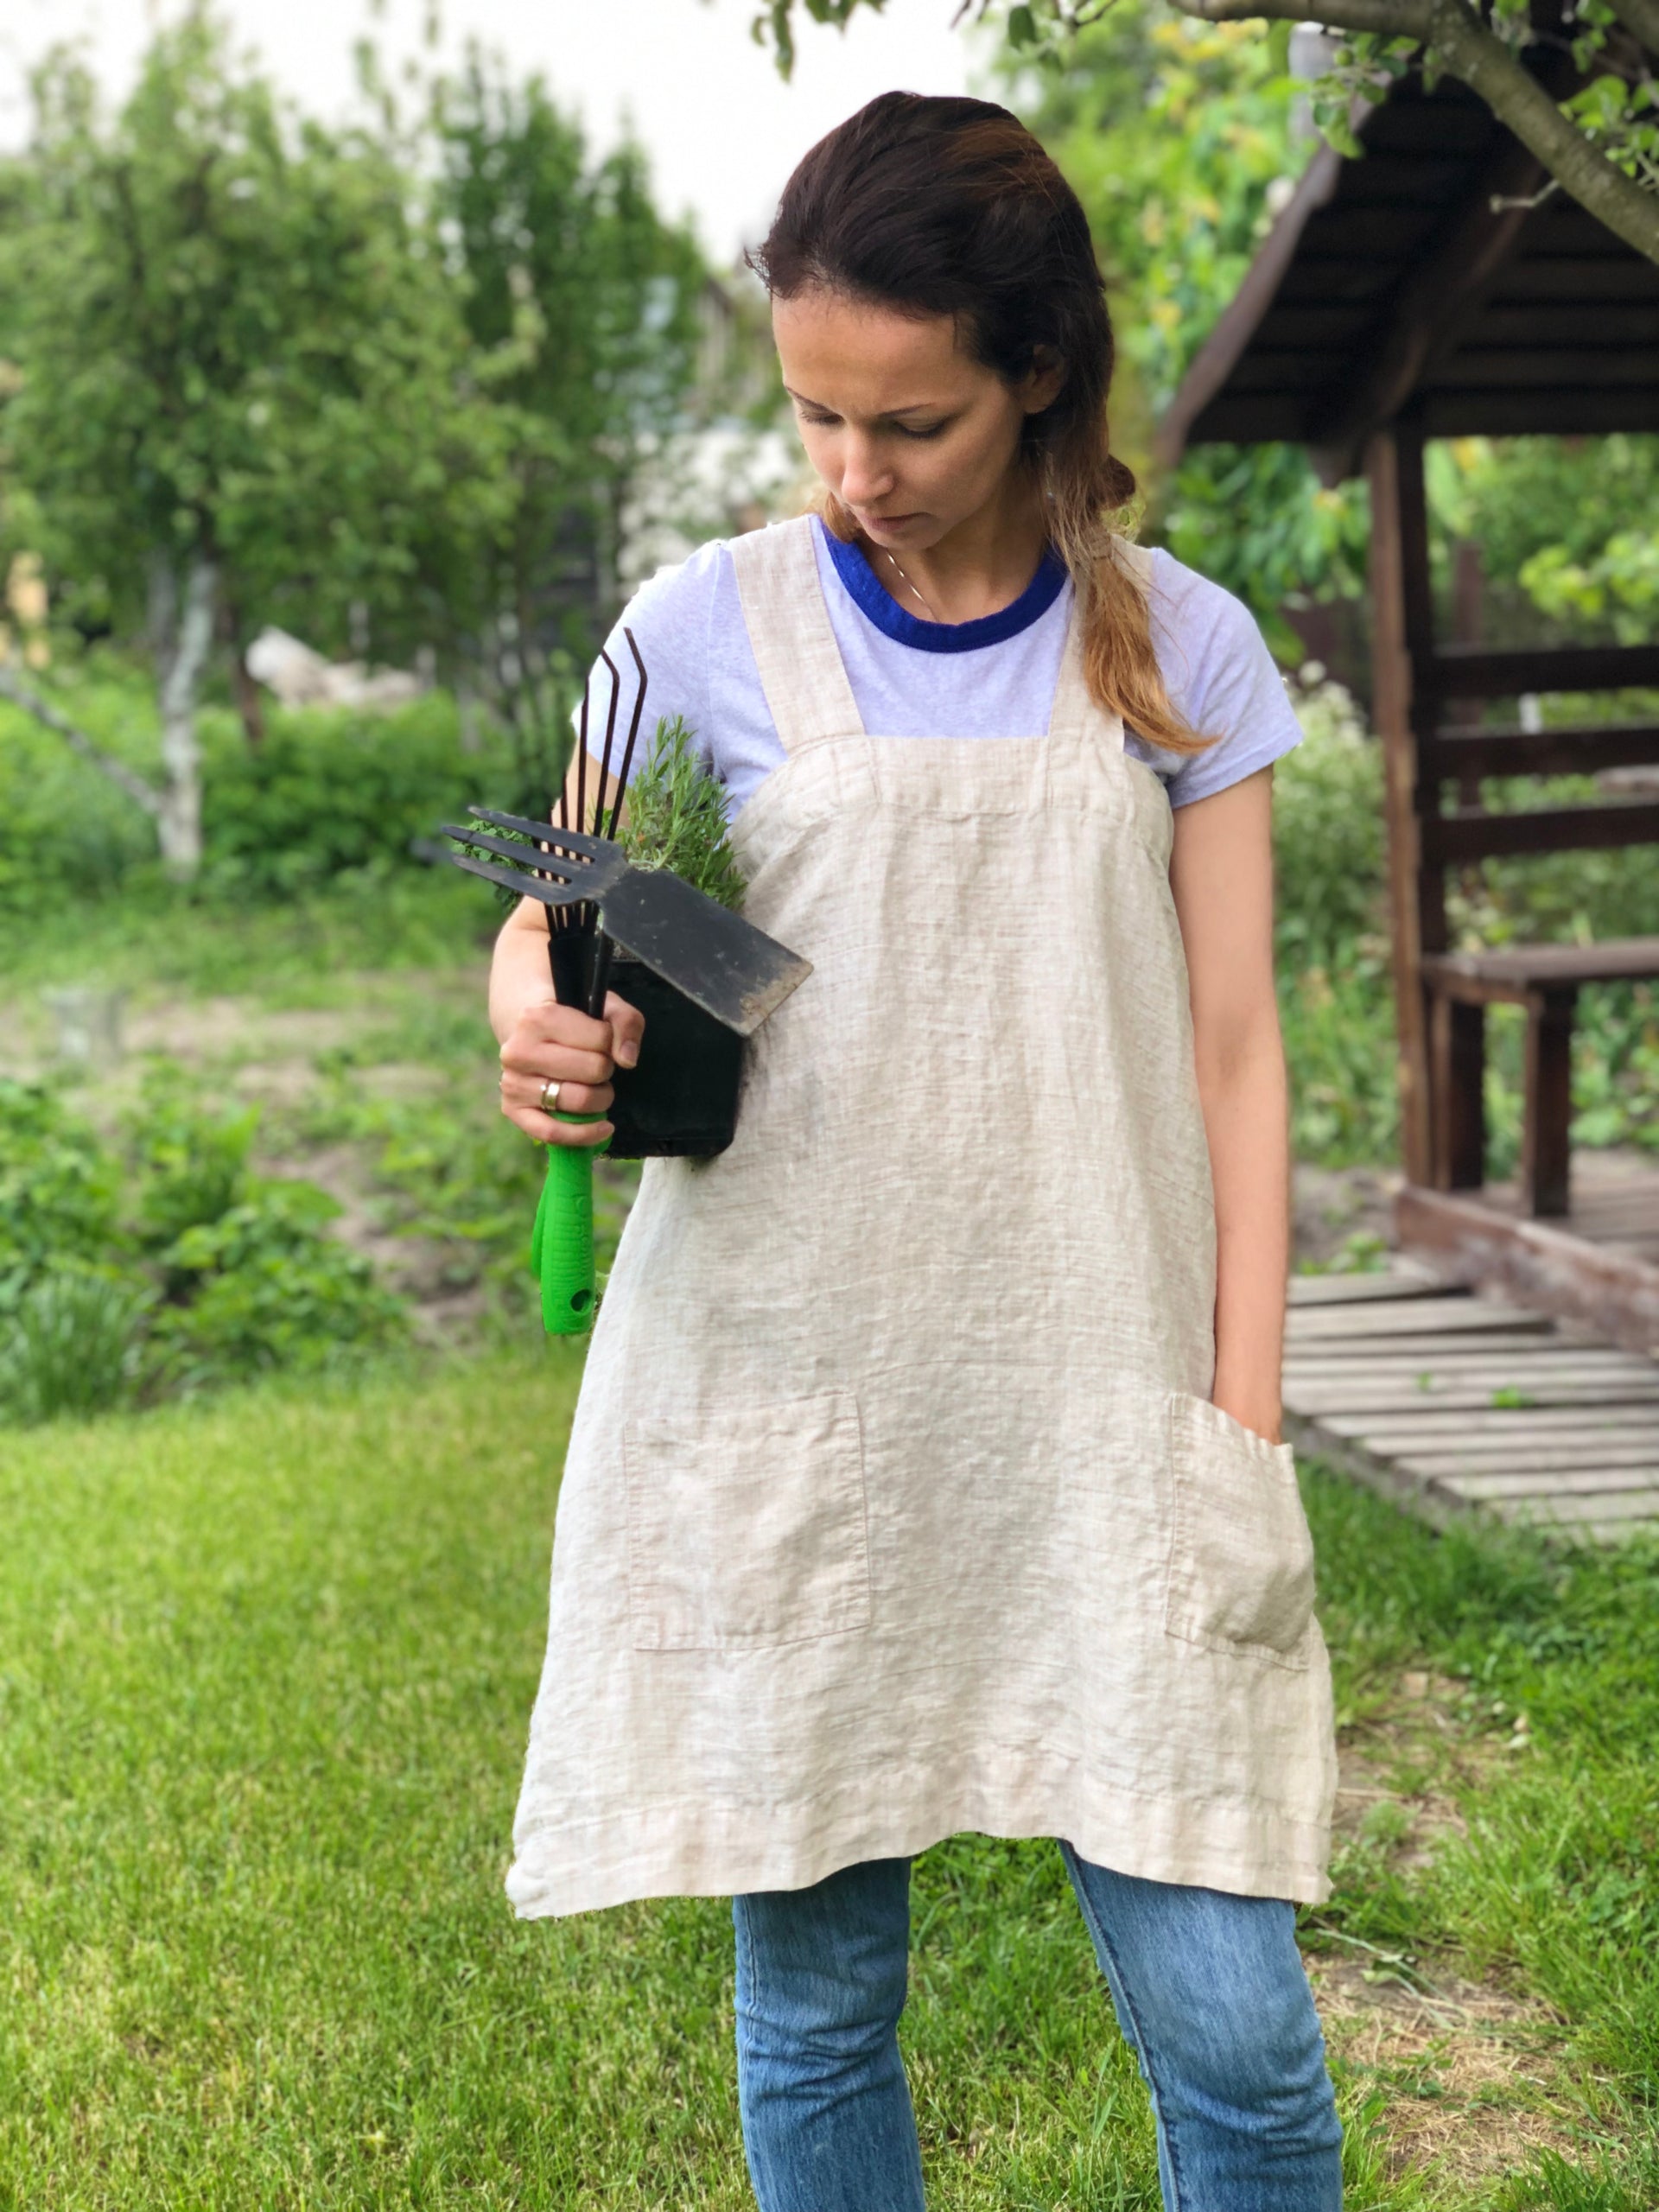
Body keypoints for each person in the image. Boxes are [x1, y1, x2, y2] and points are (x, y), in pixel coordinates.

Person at [489, 91, 1342, 2212]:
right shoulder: (692, 633)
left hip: (1103, 1409)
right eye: (814, 419)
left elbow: (1239, 1056)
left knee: (1239, 2040)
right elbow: (561, 917)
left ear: (1035, 372)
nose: (853, 477)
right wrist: (534, 1006)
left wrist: (1237, 1418)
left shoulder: (1182, 649)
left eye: (913, 423)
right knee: (817, 2009)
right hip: (795, 1395)